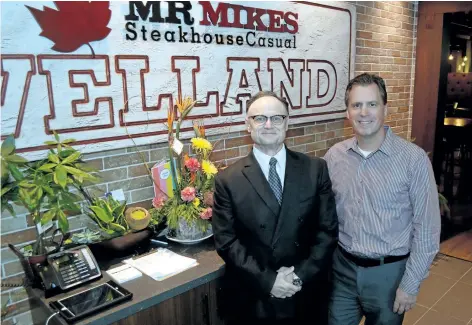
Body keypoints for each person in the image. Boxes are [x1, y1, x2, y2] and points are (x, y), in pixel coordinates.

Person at [212, 91, 338, 325]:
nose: (268, 124)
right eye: (259, 118)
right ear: (248, 125)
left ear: (287, 123)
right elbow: (227, 242)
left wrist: (298, 277)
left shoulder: (315, 169)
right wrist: (269, 281)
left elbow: (327, 231)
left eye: (276, 118)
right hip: (255, 297)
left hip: (306, 294)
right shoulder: (227, 180)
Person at [324, 73, 441, 325]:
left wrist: (410, 284)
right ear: (348, 113)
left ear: (385, 108)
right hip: (342, 271)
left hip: (389, 275)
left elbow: (427, 229)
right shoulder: (334, 157)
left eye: (372, 104)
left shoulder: (413, 160)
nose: (363, 112)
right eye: (356, 105)